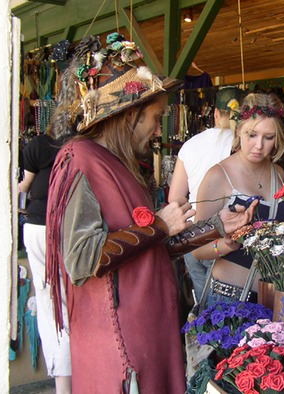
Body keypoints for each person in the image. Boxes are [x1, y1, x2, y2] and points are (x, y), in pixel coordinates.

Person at [44, 33, 257, 393]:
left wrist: (217, 227)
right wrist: (157, 225)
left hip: (145, 335)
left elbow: (149, 251)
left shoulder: (118, 163)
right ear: (128, 114)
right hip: (119, 348)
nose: (159, 129)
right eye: (155, 118)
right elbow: (80, 259)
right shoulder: (81, 160)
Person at [192, 93, 284, 305]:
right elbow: (197, 250)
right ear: (239, 130)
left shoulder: (279, 174)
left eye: (268, 138)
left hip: (272, 300)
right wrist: (227, 244)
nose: (259, 145)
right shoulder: (218, 176)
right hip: (229, 299)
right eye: (252, 135)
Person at [168, 86, 243, 303]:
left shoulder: (190, 145)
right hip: (225, 236)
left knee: (203, 304)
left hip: (193, 237)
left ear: (216, 113)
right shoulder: (243, 146)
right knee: (227, 310)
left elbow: (175, 199)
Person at [18, 132, 72, 394]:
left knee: (53, 308)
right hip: (65, 228)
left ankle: (63, 384)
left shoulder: (38, 146)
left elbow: (24, 186)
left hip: (41, 228)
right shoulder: (79, 147)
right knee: (63, 304)